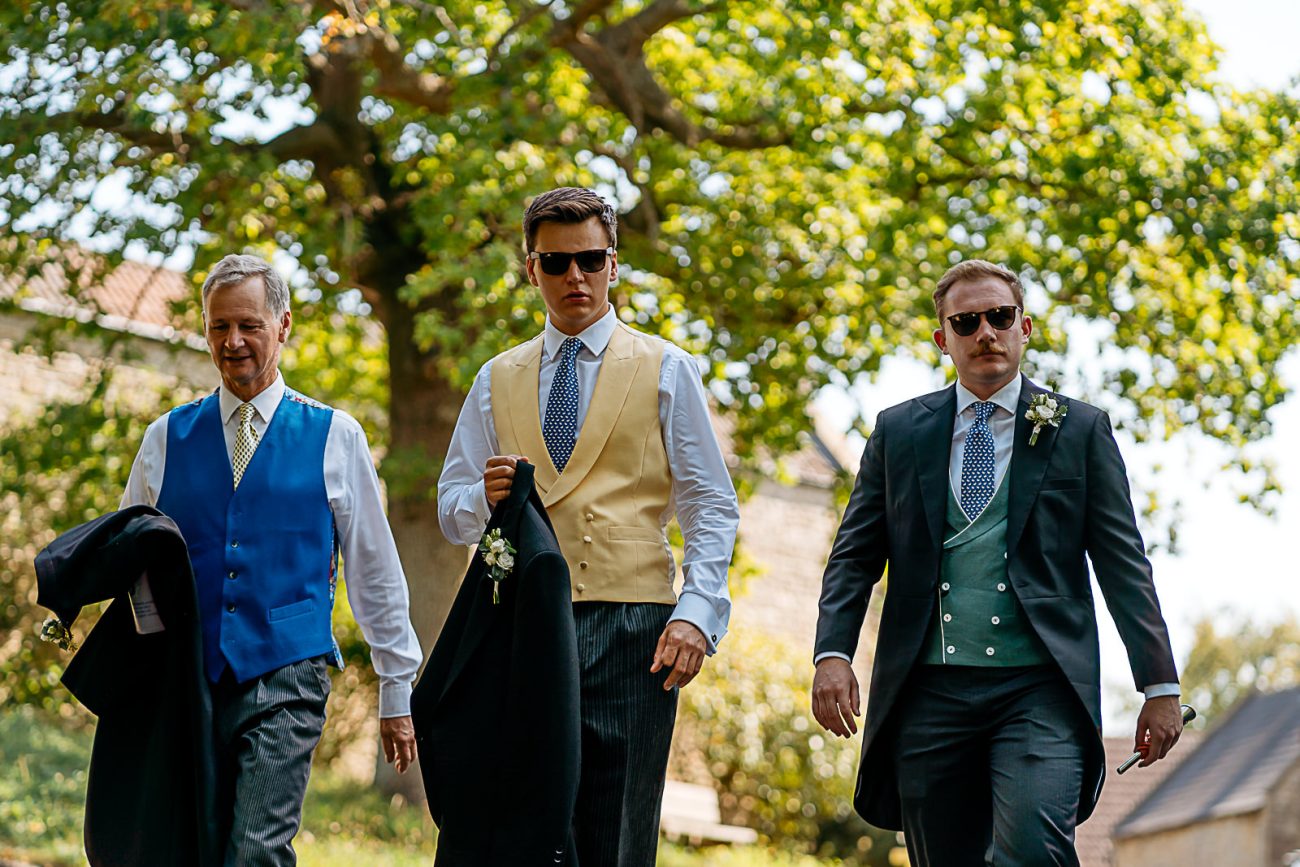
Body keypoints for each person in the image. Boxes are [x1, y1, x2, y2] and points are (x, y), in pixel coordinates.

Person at [811, 259, 1183, 866]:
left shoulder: (1079, 430)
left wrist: (1159, 684)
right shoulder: (898, 432)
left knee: (1034, 853)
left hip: (1040, 688)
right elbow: (852, 558)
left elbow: (1124, 565)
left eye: (1000, 317)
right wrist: (833, 655)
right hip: (927, 689)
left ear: (1024, 327)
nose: (985, 332)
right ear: (943, 340)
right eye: (966, 322)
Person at [437, 186, 740, 867]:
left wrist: (697, 613)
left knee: (616, 836)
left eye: (591, 259)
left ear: (613, 263)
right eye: (556, 262)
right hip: (520, 625)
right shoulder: (495, 377)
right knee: (519, 828)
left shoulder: (667, 368)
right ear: (530, 268)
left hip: (637, 631)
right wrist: (481, 502)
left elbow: (711, 504)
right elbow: (450, 505)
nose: (576, 277)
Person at [121, 253, 423, 865]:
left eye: (249, 326)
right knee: (188, 845)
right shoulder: (165, 438)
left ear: (283, 326)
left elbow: (373, 570)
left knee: (256, 850)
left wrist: (397, 689)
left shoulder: (336, 437)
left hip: (288, 673)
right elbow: (133, 559)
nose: (233, 342)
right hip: (189, 675)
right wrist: (155, 651)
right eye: (219, 327)